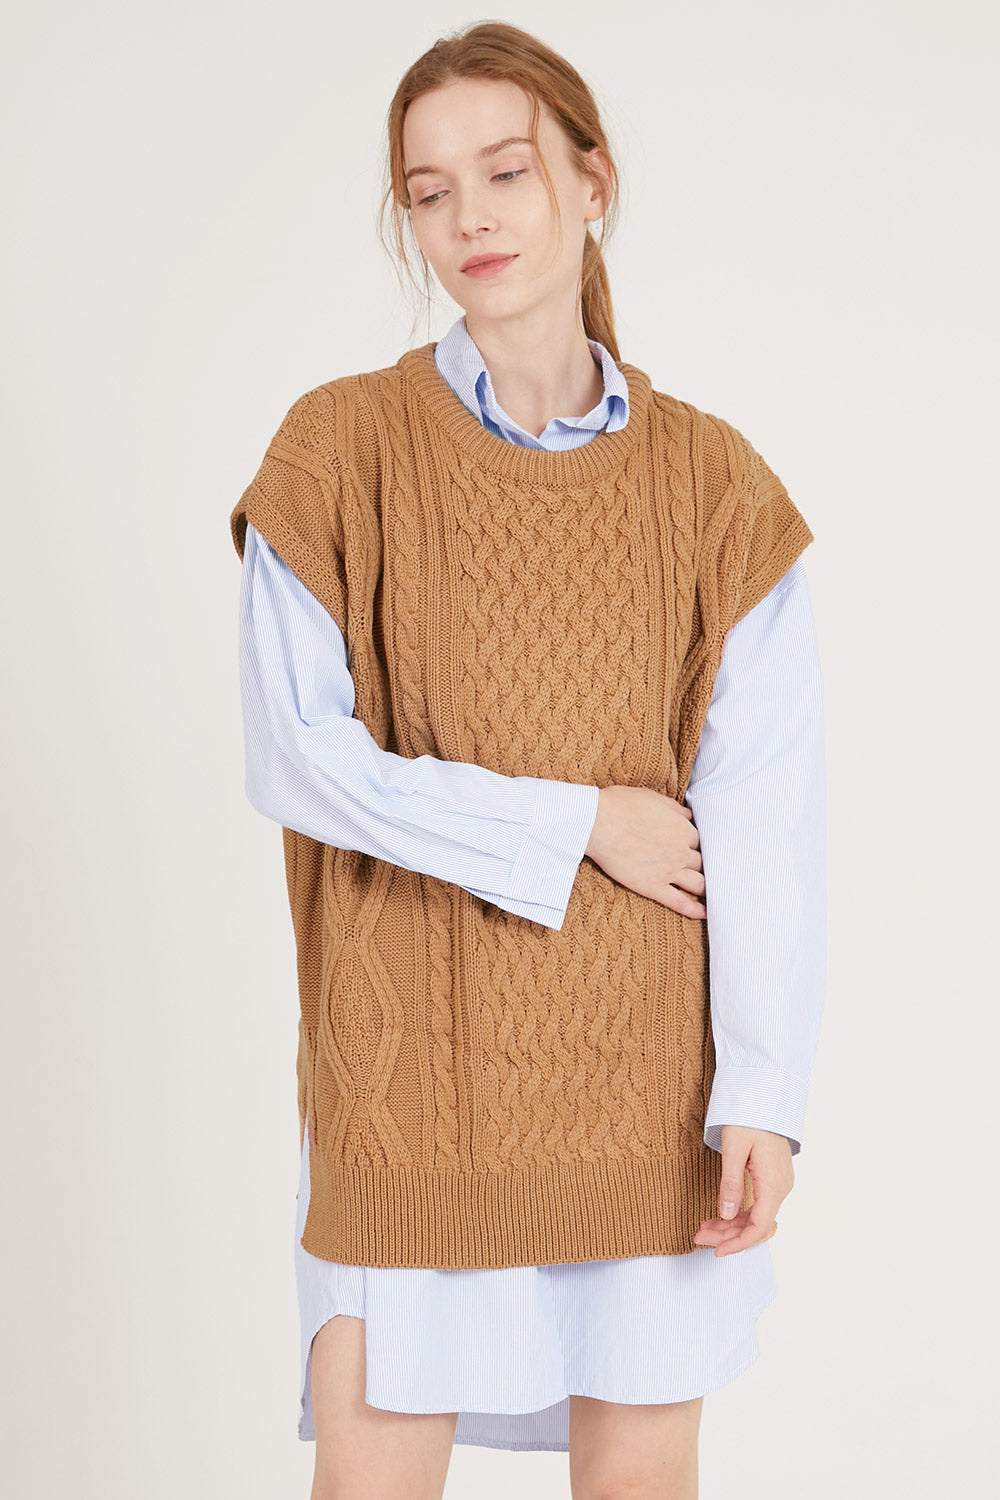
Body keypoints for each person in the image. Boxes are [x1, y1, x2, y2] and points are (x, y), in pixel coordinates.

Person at [230, 21, 826, 1500]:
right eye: (429, 192)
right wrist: (576, 825)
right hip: (408, 1083)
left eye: (506, 171)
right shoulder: (338, 451)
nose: (471, 218)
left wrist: (763, 1087)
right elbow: (297, 759)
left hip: (642, 1080)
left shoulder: (714, 484)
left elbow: (766, 808)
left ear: (592, 181)